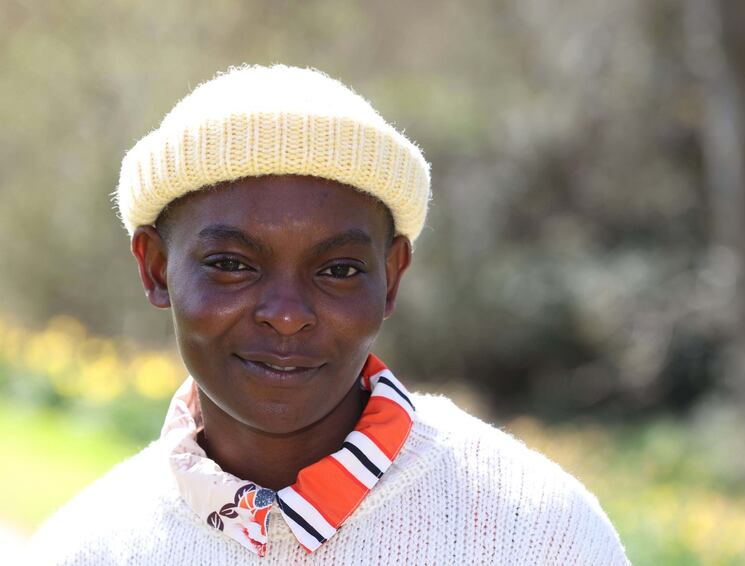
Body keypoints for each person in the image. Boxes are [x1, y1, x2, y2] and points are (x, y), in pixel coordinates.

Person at [29, 64, 629, 565]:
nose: (286, 317)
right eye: (232, 264)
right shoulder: (84, 548)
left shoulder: (538, 535)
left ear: (391, 277)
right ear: (156, 268)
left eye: (338, 270)